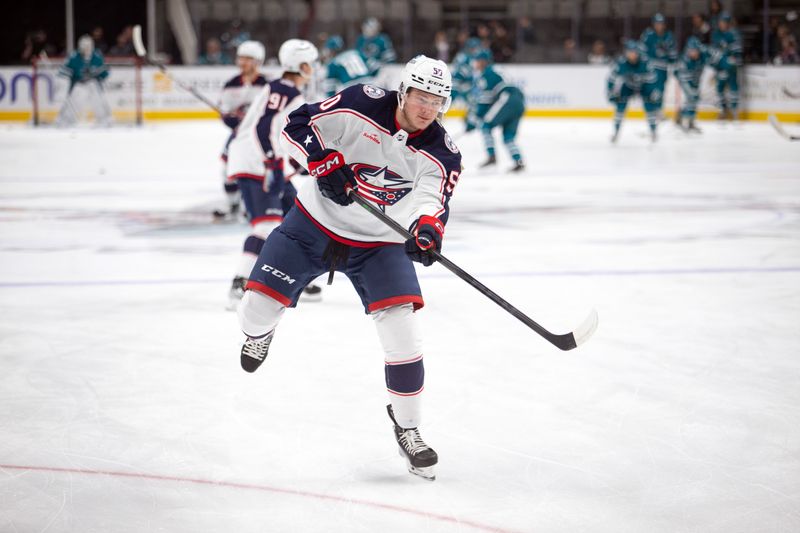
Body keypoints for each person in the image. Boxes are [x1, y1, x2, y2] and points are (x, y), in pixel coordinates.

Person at [236, 55, 462, 481]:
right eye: (420, 96)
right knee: (254, 309)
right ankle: (260, 334)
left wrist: (428, 230)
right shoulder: (361, 102)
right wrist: (322, 160)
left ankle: (409, 428)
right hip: (312, 225)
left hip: (379, 245)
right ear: (403, 91)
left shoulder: (442, 151)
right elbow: (296, 124)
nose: (427, 108)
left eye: (437, 100)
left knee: (404, 336)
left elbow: (434, 200)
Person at [225, 39, 323, 310]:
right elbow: (263, 127)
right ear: (301, 65)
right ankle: (240, 282)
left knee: (300, 220)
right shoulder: (284, 90)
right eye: (310, 63)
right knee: (265, 226)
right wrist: (272, 163)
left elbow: (279, 133)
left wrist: (295, 164)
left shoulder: (289, 91)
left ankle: (297, 280)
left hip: (267, 162)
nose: (314, 68)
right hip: (256, 163)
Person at [214, 40, 269, 220]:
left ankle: (251, 204)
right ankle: (232, 204)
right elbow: (224, 111)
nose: (242, 62)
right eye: (241, 58)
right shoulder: (231, 84)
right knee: (227, 169)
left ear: (258, 61)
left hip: (260, 137)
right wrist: (230, 118)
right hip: (239, 135)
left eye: (247, 59)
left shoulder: (267, 85)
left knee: (258, 169)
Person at [470, 48, 526, 172]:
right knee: (508, 136)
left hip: (507, 98)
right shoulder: (496, 71)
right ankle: (518, 161)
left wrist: (475, 119)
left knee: (485, 126)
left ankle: (492, 157)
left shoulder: (487, 74)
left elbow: (485, 99)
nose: (476, 64)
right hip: (519, 101)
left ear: (484, 61)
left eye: (478, 61)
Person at [607, 40, 659, 142]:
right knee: (620, 107)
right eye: (629, 52)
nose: (632, 55)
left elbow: (653, 79)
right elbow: (611, 78)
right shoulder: (621, 63)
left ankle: (653, 131)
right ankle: (616, 132)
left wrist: (654, 91)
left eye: (634, 52)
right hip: (627, 86)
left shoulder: (645, 62)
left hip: (644, 86)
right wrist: (611, 91)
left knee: (649, 107)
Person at [55, 35, 112, 127]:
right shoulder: (74, 57)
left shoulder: (97, 56)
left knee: (98, 100)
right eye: (84, 46)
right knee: (75, 101)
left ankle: (104, 119)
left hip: (92, 84)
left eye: (88, 46)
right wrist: (62, 86)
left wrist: (103, 75)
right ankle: (65, 120)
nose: (86, 48)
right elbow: (64, 73)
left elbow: (104, 74)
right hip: (79, 84)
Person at [639, 13, 677, 116]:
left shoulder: (668, 36)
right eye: (657, 23)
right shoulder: (648, 34)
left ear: (664, 24)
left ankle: (658, 109)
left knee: (661, 88)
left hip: (663, 68)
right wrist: (645, 62)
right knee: (651, 88)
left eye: (661, 23)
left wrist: (674, 62)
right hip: (651, 67)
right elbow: (641, 50)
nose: (659, 26)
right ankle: (652, 109)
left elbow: (672, 53)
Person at [709, 12, 742, 120]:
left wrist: (734, 60)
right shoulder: (716, 34)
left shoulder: (734, 34)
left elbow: (737, 51)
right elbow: (713, 51)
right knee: (719, 89)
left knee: (733, 88)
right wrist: (716, 65)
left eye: (724, 22)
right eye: (720, 22)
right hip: (720, 67)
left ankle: (734, 111)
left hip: (731, 68)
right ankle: (722, 110)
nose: (721, 24)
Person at [676, 36, 708, 133]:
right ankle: (682, 117)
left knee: (695, 99)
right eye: (691, 50)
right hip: (685, 80)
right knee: (691, 97)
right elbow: (682, 76)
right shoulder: (684, 60)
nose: (692, 53)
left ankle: (690, 121)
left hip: (695, 80)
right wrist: (691, 89)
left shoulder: (702, 56)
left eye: (695, 50)